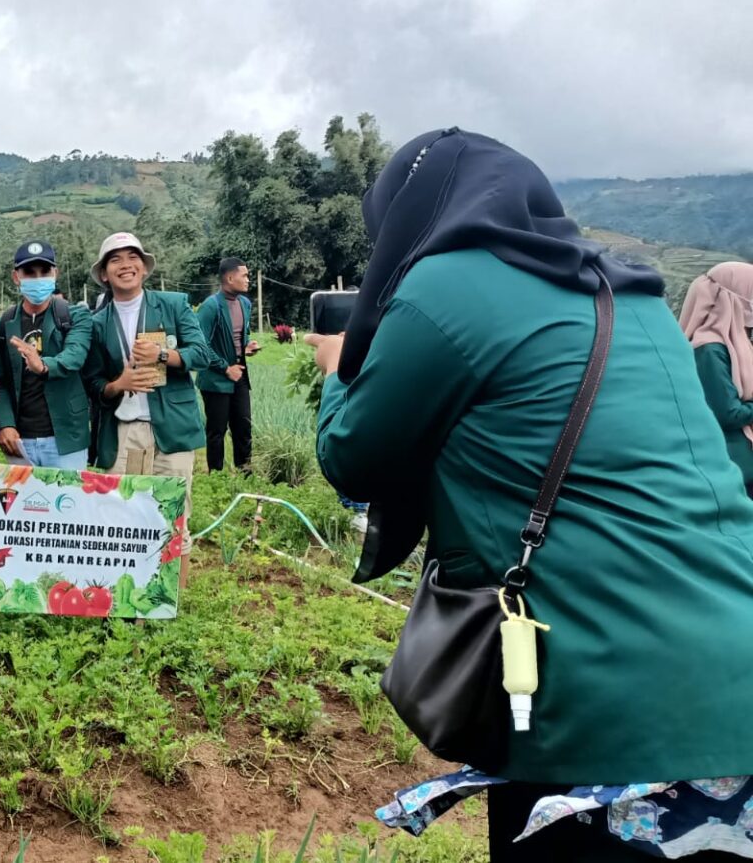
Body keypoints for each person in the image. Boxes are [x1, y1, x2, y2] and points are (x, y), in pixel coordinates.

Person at [307, 129, 753, 861]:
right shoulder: (635, 294)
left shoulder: (444, 284)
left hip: (596, 701)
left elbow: (353, 459)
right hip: (735, 670)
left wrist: (337, 369)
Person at [84, 232, 214, 478]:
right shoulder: (97, 324)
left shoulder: (174, 305)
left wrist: (162, 354)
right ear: (104, 274)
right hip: (125, 430)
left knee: (170, 502)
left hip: (173, 427)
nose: (125, 265)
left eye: (133, 257)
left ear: (144, 268)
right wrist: (118, 385)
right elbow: (93, 382)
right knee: (129, 501)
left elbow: (201, 354)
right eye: (115, 260)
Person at [0, 240, 94, 470]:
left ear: (55, 273)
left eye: (44, 271)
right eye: (29, 272)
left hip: (66, 439)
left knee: (67, 494)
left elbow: (74, 355)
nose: (37, 278)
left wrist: (43, 365)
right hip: (20, 441)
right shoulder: (1, 326)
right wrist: (5, 424)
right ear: (16, 277)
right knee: (20, 495)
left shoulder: (75, 316)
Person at [680, 262, 753, 498]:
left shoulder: (734, 345)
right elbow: (728, 413)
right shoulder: (709, 350)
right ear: (733, 300)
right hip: (734, 469)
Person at [195, 257, 261, 472]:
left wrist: (246, 346)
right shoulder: (211, 307)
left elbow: (240, 335)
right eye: (245, 275)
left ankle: (246, 475)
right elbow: (200, 344)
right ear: (230, 278)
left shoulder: (245, 304)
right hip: (216, 379)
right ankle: (217, 477)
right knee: (217, 431)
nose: (248, 280)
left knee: (243, 428)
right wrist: (225, 367)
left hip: (239, 374)